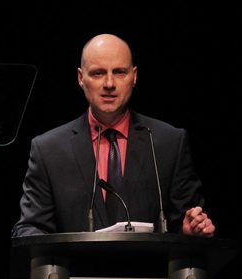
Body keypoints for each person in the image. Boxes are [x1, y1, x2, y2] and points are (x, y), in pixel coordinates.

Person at [11, 33, 215, 237]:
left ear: (134, 76)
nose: (109, 83)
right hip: (76, 268)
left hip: (150, 268)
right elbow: (31, 227)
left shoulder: (168, 143)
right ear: (81, 78)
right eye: (98, 73)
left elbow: (188, 223)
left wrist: (191, 229)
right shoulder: (48, 150)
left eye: (119, 72)